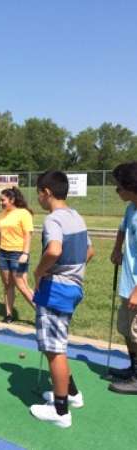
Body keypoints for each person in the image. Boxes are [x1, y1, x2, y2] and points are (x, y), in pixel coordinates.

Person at [30, 171, 94, 428]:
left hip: (56, 289)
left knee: (55, 350)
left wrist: (40, 271)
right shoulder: (76, 216)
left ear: (46, 192)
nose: (38, 198)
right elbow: (90, 250)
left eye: (39, 193)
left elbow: (54, 250)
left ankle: (60, 410)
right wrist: (72, 272)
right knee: (56, 345)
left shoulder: (53, 220)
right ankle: (72, 394)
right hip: (74, 288)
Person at [0, 187, 35, 323]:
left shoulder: (24, 213)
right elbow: (0, 234)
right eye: (0, 200)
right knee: (7, 285)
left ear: (12, 200)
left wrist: (25, 253)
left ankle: (43, 315)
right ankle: (9, 315)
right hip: (3, 254)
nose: (0, 203)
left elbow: (28, 235)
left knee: (22, 285)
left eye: (3, 200)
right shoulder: (3, 215)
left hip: (18, 254)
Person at [108, 161, 137, 394]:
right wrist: (117, 249)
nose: (117, 191)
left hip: (136, 288)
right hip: (128, 283)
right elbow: (121, 228)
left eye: (119, 187)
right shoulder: (131, 208)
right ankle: (133, 369)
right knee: (126, 330)